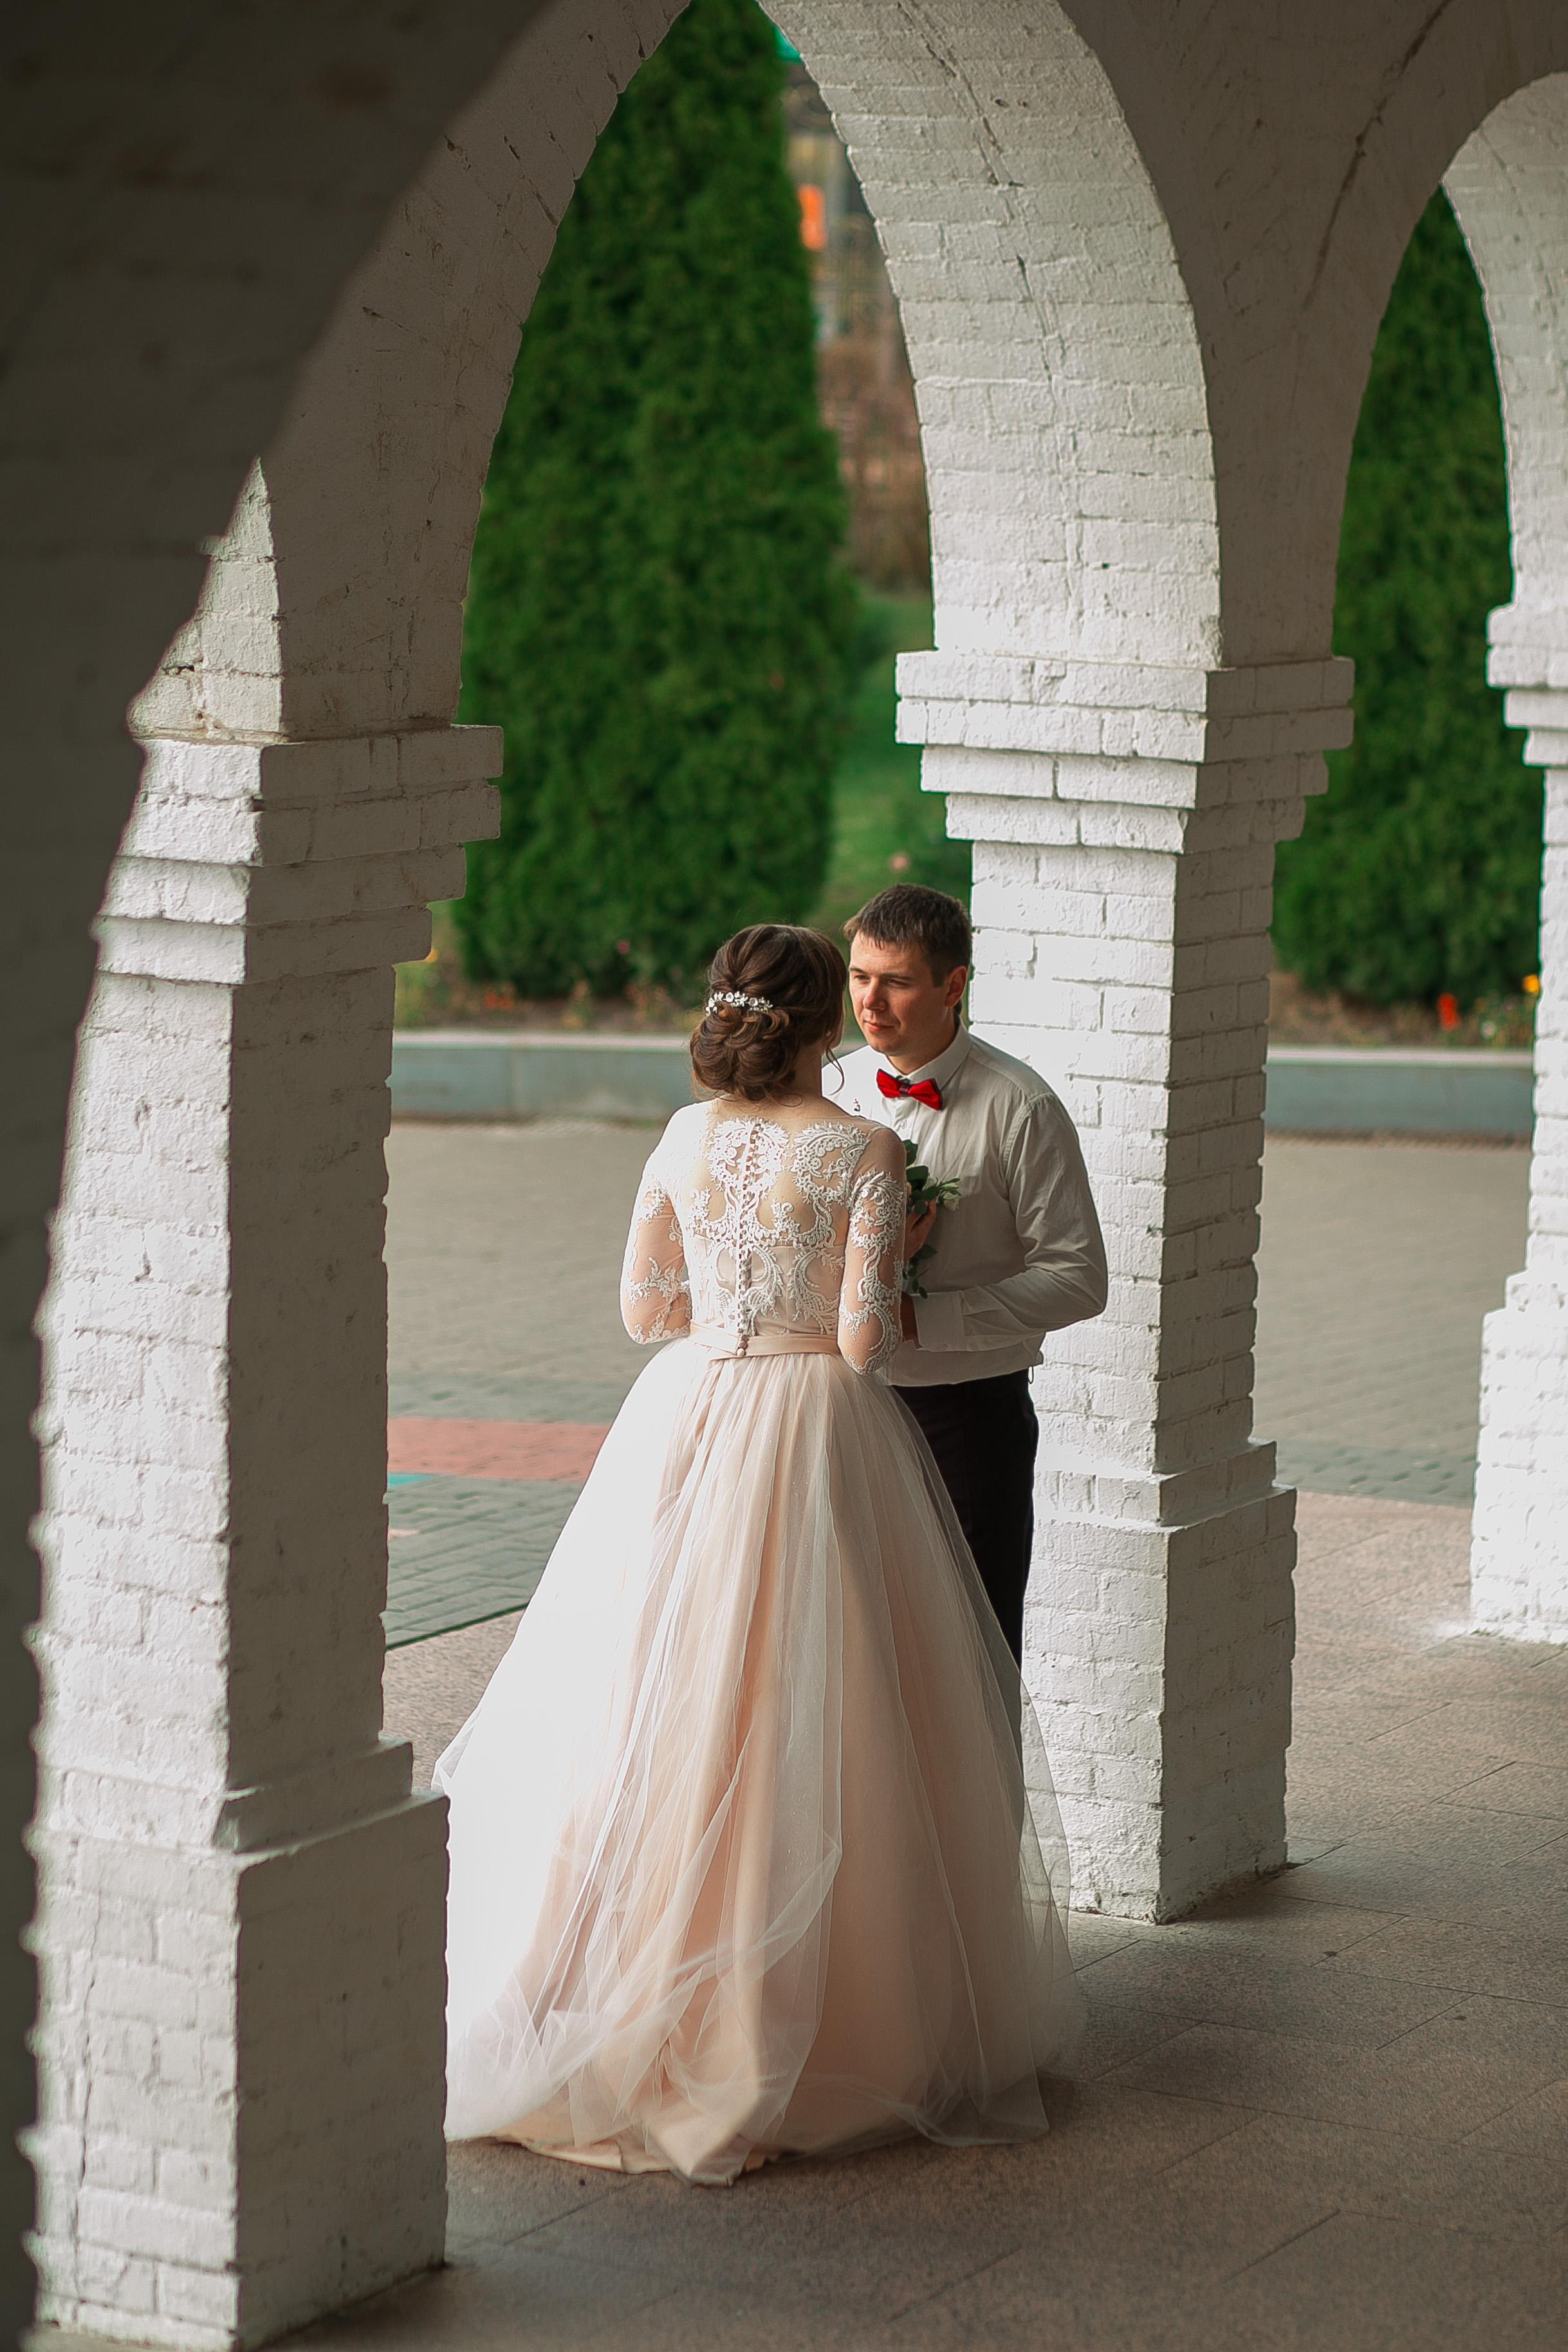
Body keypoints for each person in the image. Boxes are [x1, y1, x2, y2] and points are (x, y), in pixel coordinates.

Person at [436, 923, 1082, 2187]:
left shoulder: (683, 1137)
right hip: (813, 1425)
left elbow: (644, 1313)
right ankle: (802, 2013)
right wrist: (888, 1260)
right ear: (825, 1027)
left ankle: (616, 1976)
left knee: (661, 1688)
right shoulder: (864, 1150)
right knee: (817, 1701)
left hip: (687, 1415)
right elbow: (862, 1343)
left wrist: (728, 1309)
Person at [834, 886, 1108, 1665]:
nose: (870, 1002)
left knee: (972, 1653)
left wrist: (920, 1319)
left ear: (953, 984)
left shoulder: (1022, 1107)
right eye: (859, 977)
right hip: (843, 1405)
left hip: (969, 1419)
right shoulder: (827, 1090)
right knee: (856, 1653)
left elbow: (1078, 1277)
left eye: (896, 982)